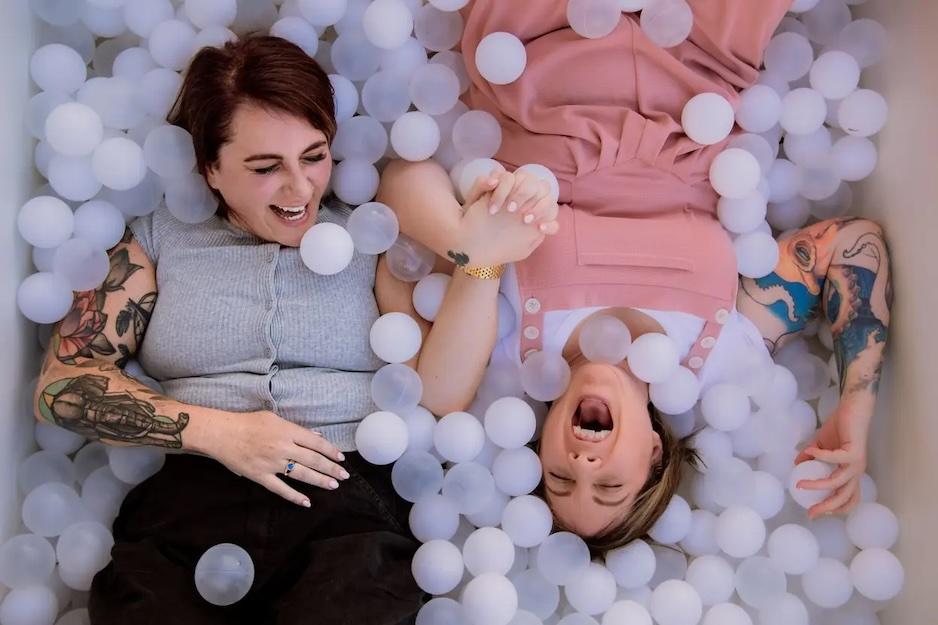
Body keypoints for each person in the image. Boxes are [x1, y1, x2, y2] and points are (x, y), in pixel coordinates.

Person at [377, 0, 893, 552]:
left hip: (536, 59)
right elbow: (848, 242)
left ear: (541, 449)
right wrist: (857, 406)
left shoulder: (506, 348)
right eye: (608, 485)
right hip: (701, 61)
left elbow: (401, 192)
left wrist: (470, 250)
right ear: (652, 451)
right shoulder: (721, 354)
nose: (583, 462)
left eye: (561, 478)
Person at [34, 36, 424, 624]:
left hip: (347, 505)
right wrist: (224, 435)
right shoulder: (159, 240)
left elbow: (439, 377)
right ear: (210, 168)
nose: (299, 189)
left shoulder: (368, 239)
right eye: (266, 168)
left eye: (314, 157)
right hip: (191, 503)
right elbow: (62, 385)